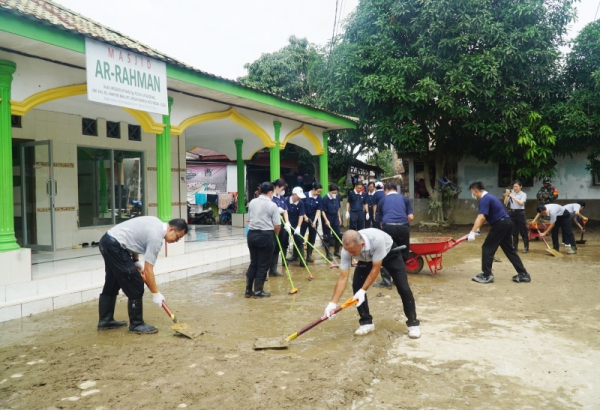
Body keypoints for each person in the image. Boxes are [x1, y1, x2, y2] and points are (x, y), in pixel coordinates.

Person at [98, 217, 188, 334]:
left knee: (113, 281)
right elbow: (148, 271)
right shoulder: (156, 238)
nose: (176, 241)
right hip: (115, 246)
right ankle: (136, 324)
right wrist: (156, 294)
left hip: (107, 241)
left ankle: (105, 321)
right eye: (178, 237)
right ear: (171, 229)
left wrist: (135, 260)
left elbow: (134, 240)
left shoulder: (155, 222)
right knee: (135, 283)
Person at [323, 229, 421, 338]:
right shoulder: (347, 250)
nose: (350, 254)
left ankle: (413, 324)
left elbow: (375, 269)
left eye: (352, 251)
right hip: (366, 259)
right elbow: (343, 277)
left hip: (390, 255)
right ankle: (366, 322)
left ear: (362, 244)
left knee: (403, 288)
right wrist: (332, 303)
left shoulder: (376, 240)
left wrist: (363, 291)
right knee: (357, 286)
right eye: (347, 251)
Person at [468, 181, 532, 283]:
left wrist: (472, 232)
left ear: (475, 190)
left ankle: (487, 275)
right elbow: (485, 217)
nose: (473, 195)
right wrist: (477, 229)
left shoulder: (484, 199)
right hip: (507, 222)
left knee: (487, 248)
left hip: (500, 224)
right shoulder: (489, 197)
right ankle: (523, 274)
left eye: (472, 192)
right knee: (509, 250)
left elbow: (481, 217)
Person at [374, 182, 414, 288]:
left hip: (388, 227)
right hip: (403, 227)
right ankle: (399, 281)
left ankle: (386, 281)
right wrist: (405, 226)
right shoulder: (405, 199)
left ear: (386, 190)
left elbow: (380, 222)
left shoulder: (382, 200)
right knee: (403, 253)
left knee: (386, 252)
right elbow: (411, 217)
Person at [245, 182, 281, 298]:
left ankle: (248, 290)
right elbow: (277, 225)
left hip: (252, 235)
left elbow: (249, 218)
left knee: (254, 263)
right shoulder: (272, 205)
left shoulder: (252, 202)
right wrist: (275, 234)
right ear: (270, 192)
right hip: (265, 235)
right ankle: (258, 291)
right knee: (263, 264)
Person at [268, 179, 292, 278]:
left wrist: (287, 222)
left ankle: (273, 269)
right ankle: (266, 270)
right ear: (277, 187)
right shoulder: (270, 197)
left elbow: (285, 210)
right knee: (271, 247)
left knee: (278, 247)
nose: (283, 190)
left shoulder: (281, 198)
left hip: (280, 225)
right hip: (271, 226)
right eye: (282, 188)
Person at [300, 183, 324, 263]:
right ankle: (298, 255)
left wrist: (314, 221)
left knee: (312, 237)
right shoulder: (304, 195)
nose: (319, 193)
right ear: (313, 189)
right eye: (318, 191)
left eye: (320, 192)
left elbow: (318, 210)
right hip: (303, 218)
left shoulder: (319, 198)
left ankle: (309, 255)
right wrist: (305, 217)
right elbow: (301, 208)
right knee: (300, 236)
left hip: (313, 218)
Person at [503, 180, 529, 253]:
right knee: (514, 230)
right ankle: (514, 246)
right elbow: (505, 203)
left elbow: (521, 203)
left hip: (520, 212)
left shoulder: (523, 194)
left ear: (521, 187)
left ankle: (526, 247)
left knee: (523, 230)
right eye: (514, 187)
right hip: (512, 212)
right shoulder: (512, 193)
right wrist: (507, 195)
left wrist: (512, 196)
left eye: (516, 186)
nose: (515, 188)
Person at [285, 187, 307, 265]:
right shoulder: (286, 200)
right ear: (293, 194)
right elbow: (284, 212)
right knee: (284, 241)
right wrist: (287, 223)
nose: (299, 198)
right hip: (286, 224)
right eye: (298, 196)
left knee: (299, 240)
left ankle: (302, 261)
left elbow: (301, 215)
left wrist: (298, 227)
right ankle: (284, 261)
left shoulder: (301, 203)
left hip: (295, 224)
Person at [322, 183, 342, 258]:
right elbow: (322, 211)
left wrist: (339, 217)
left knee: (338, 234)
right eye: (333, 192)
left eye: (335, 192)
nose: (334, 194)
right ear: (329, 191)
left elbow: (338, 208)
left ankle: (336, 251)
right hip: (327, 217)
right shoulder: (325, 198)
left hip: (335, 217)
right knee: (327, 236)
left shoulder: (337, 197)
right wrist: (326, 220)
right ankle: (328, 254)